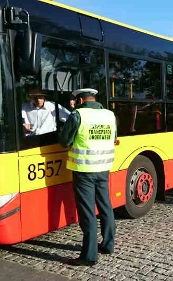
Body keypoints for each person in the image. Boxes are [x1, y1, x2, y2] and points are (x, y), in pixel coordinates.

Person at [58, 88, 117, 266]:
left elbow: (65, 141)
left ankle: (89, 256)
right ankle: (108, 245)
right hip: (103, 168)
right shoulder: (109, 115)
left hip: (84, 170)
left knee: (87, 213)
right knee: (105, 205)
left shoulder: (78, 115)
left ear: (81, 100)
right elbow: (114, 138)